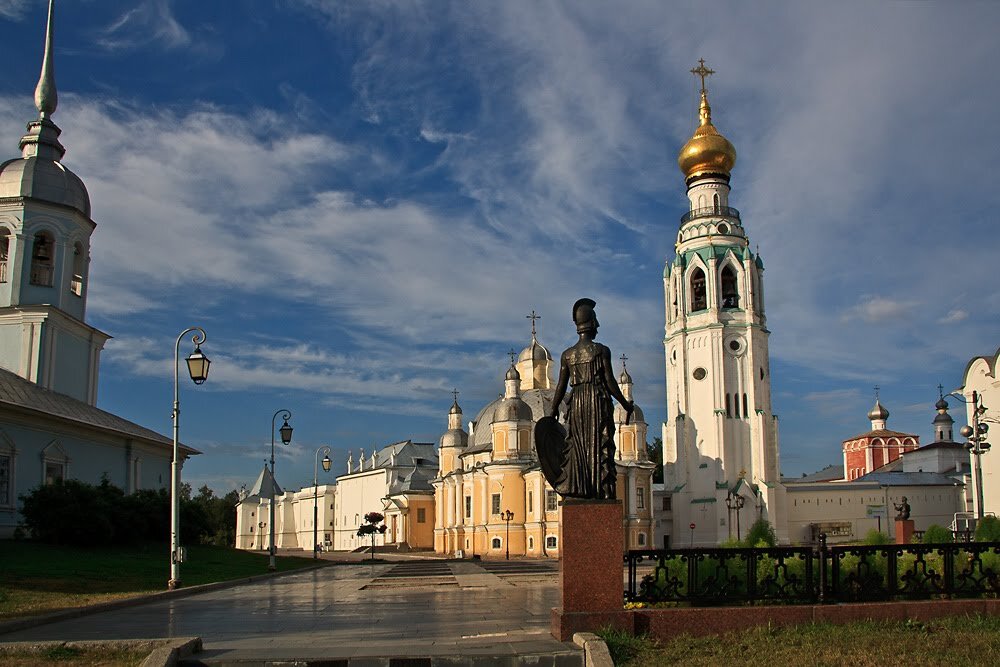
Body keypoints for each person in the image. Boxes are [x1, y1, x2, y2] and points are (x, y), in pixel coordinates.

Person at [545, 298, 633, 499]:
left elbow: (560, 386)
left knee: (578, 446)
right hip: (597, 401)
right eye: (595, 319)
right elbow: (610, 382)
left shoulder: (568, 355)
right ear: (591, 323)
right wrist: (625, 404)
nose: (598, 324)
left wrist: (552, 412)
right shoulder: (601, 350)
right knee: (600, 444)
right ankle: (601, 489)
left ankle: (581, 488)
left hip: (576, 404)